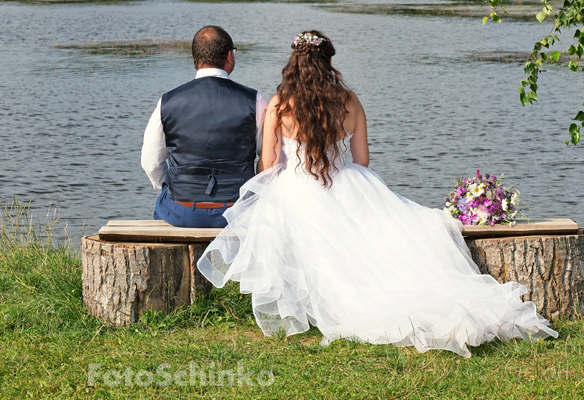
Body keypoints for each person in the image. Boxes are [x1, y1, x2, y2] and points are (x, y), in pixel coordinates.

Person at [197, 30, 558, 358]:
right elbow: (362, 160)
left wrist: (281, 179)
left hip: (295, 185)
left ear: (293, 63)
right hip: (350, 182)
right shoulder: (349, 101)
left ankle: (303, 304)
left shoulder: (280, 104)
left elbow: (269, 161)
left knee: (273, 214)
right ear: (329, 63)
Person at [141, 26, 267, 228]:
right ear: (229, 56)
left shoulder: (167, 102)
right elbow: (268, 157)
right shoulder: (254, 100)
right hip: (238, 211)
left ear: (195, 59)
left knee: (164, 203)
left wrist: (172, 187)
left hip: (181, 211)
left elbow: (151, 162)